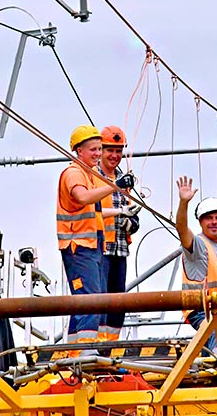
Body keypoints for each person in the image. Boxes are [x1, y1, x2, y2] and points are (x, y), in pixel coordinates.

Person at [56, 124, 134, 349]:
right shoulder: (74, 173)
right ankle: (85, 353)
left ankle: (91, 350)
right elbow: (82, 198)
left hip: (92, 245)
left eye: (100, 149)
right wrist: (115, 186)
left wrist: (122, 212)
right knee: (89, 299)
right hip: (78, 246)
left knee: (95, 299)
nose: (98, 154)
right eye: (94, 150)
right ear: (79, 150)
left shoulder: (88, 175)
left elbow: (94, 210)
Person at [176, 176, 217, 354]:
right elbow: (182, 230)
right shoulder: (198, 245)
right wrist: (184, 203)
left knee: (216, 352)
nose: (214, 222)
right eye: (209, 218)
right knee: (215, 354)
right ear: (200, 221)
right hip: (204, 310)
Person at [97, 126, 141, 341]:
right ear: (101, 150)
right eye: (109, 150)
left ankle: (110, 347)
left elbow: (129, 210)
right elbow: (89, 210)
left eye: (118, 150)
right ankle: (94, 346)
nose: (114, 156)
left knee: (117, 304)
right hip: (99, 249)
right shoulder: (93, 176)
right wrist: (119, 212)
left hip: (120, 249)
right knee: (99, 302)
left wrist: (131, 222)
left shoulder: (124, 178)